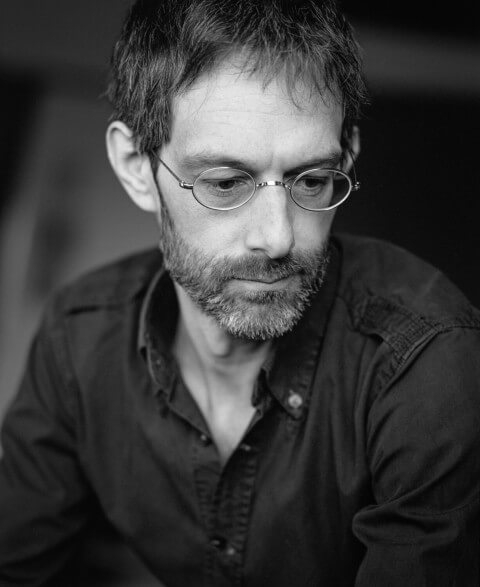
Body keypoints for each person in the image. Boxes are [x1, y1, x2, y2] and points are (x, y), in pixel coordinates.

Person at [1, 0, 479, 585]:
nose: (278, 238)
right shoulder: (78, 339)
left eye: (312, 179)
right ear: (135, 167)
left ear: (347, 155)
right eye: (226, 183)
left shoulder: (429, 366)